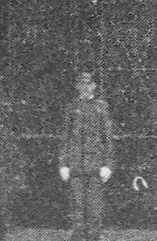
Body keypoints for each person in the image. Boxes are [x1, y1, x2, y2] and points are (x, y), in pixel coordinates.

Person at [58, 71, 115, 241]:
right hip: (75, 164)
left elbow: (107, 138)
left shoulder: (101, 107)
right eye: (81, 84)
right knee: (77, 206)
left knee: (94, 207)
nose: (85, 87)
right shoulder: (71, 107)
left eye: (88, 84)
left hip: (96, 165)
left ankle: (94, 237)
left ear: (94, 86)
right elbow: (65, 137)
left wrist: (108, 165)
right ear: (77, 87)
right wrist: (63, 164)